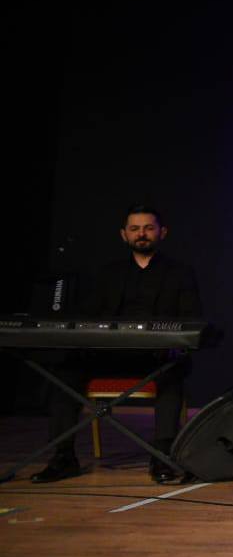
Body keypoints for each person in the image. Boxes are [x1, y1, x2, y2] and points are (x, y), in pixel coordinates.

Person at [33, 205, 202, 484]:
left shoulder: (180, 273)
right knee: (64, 371)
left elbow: (191, 318)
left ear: (163, 232)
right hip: (112, 354)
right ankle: (63, 458)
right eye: (135, 229)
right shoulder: (108, 273)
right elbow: (88, 316)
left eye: (148, 228)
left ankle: (162, 457)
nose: (142, 234)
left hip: (156, 356)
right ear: (124, 235)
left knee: (172, 373)